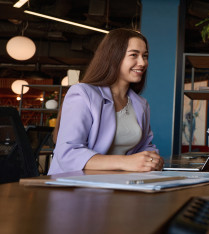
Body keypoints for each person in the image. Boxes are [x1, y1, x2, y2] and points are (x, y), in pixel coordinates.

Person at [48, 29, 163, 175]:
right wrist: (125, 162)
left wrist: (152, 159)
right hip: (76, 187)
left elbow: (145, 147)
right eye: (134, 55)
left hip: (120, 184)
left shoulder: (141, 104)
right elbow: (68, 153)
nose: (142, 62)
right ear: (113, 57)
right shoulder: (83, 93)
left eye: (145, 56)